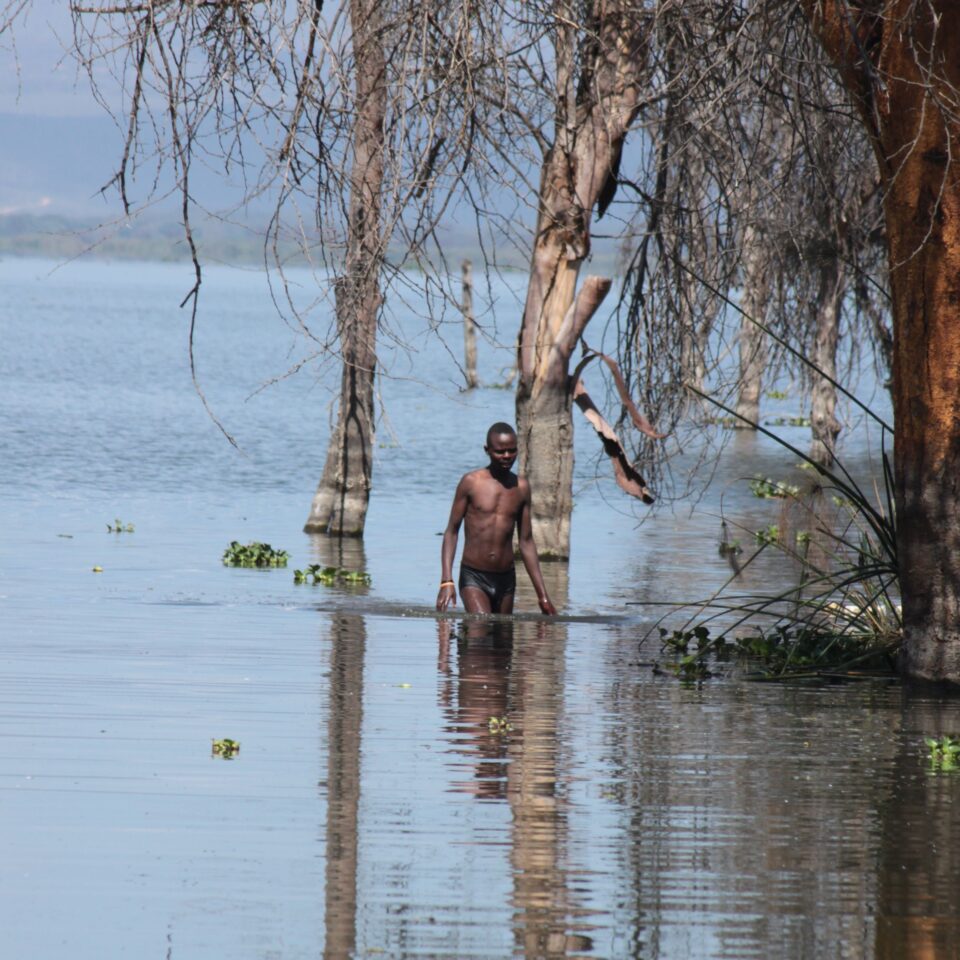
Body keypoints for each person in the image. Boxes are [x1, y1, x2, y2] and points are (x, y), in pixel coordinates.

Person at [436, 422, 557, 615]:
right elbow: (451, 532)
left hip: (506, 579)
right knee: (480, 629)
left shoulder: (522, 488)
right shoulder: (471, 483)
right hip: (474, 576)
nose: (507, 456)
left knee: (503, 643)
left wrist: (542, 595)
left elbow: (526, 542)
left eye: (512, 451)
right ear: (487, 450)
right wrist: (446, 580)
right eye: (500, 452)